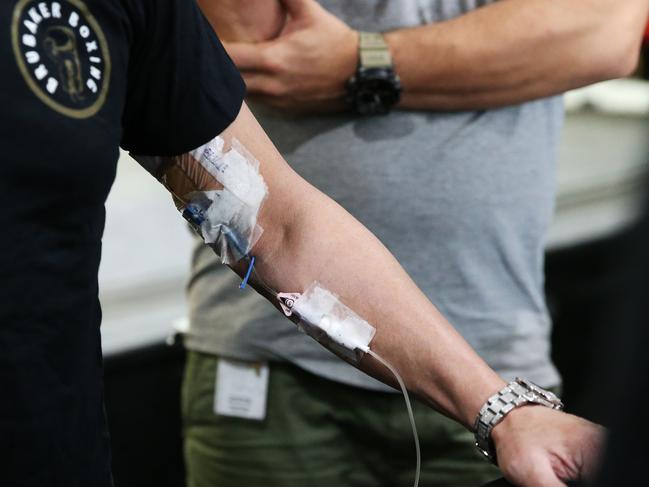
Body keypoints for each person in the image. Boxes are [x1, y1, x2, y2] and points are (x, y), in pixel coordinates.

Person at [1, 0, 604, 486]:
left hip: (52, 448)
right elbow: (265, 45)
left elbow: (277, 224)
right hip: (262, 377)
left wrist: (504, 411)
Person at [182, 1, 649, 486]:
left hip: (497, 355)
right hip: (272, 354)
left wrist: (361, 62)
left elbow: (605, 34)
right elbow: (268, 56)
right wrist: (503, 48)